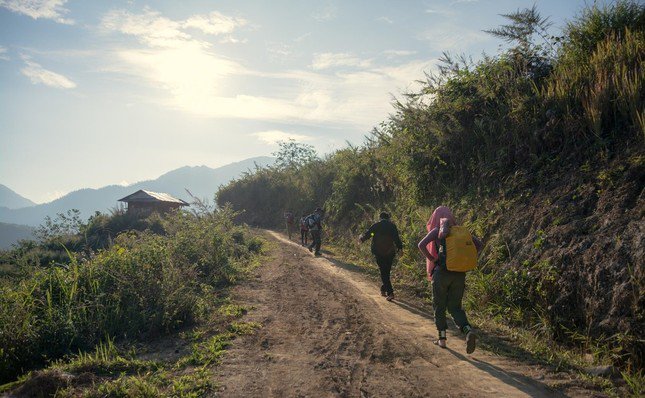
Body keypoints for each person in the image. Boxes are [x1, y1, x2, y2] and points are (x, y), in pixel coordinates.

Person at [417, 206, 483, 354]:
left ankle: (442, 339)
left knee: (439, 306)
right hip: (459, 275)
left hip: (441, 274)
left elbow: (421, 245)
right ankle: (467, 331)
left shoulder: (436, 232)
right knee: (455, 307)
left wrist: (432, 258)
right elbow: (479, 245)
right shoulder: (462, 232)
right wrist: (466, 258)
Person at [359, 212, 403, 301]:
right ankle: (383, 289)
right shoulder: (392, 226)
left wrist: (362, 239)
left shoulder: (376, 225)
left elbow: (369, 234)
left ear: (380, 217)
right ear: (388, 218)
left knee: (383, 272)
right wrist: (400, 248)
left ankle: (390, 292)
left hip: (378, 252)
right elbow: (396, 238)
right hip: (390, 252)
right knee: (386, 271)